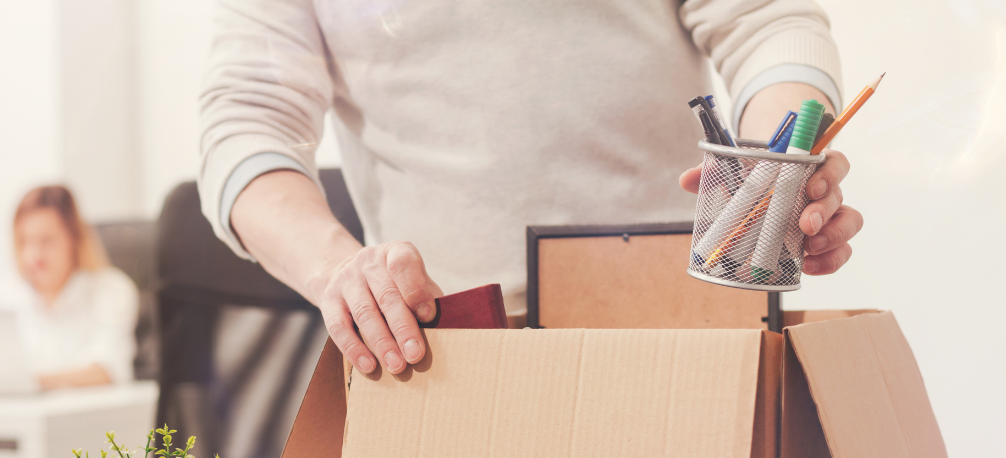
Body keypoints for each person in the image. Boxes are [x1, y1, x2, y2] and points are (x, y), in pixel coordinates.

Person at [198, 1, 863, 377]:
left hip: (680, 335)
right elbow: (247, 121)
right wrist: (336, 271)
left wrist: (777, 168)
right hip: (445, 352)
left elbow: (765, 20)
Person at [0, 185, 139, 390]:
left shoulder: (112, 290)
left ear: (74, 239)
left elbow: (107, 370)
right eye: (25, 241)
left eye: (47, 241)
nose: (34, 255)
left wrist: (28, 384)